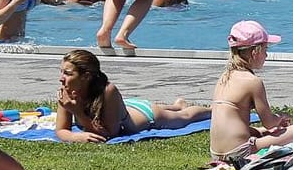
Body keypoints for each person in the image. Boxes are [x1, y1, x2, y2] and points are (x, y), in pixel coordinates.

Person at [208, 22, 293, 165]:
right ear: (255, 52)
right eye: (265, 49)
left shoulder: (224, 77)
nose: (267, 55)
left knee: (264, 131)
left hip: (216, 152)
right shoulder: (253, 82)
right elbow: (269, 123)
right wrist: (281, 116)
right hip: (239, 153)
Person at [54, 49, 209, 142]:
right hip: (126, 107)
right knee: (175, 108)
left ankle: (215, 109)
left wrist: (77, 112)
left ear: (86, 76)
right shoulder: (66, 92)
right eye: (61, 72)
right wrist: (75, 137)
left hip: (146, 115)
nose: (61, 78)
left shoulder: (108, 91)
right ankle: (177, 104)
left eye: (68, 73)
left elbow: (110, 133)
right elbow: (61, 130)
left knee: (185, 116)